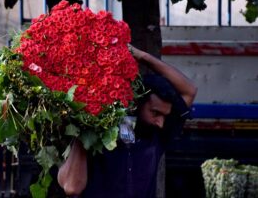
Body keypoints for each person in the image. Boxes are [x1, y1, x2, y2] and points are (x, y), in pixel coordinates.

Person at [59, 45, 197, 198]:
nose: (160, 122)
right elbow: (71, 188)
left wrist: (143, 56)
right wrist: (85, 123)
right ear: (137, 103)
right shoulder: (99, 132)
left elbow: (189, 91)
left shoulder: (157, 137)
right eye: (155, 112)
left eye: (164, 116)